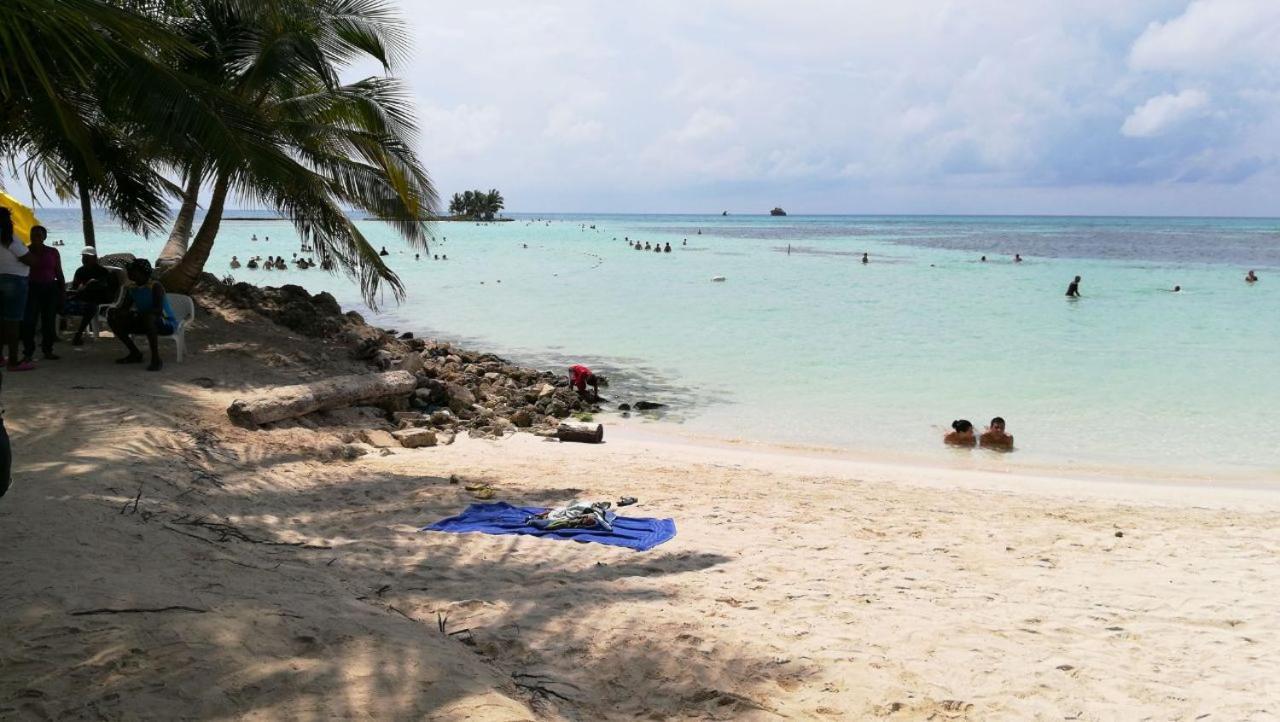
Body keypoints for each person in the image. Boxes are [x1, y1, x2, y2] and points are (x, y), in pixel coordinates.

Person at [108, 258, 177, 372]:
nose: (130, 273)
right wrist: (118, 312)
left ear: (142, 273)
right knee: (113, 317)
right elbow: (125, 307)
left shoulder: (155, 286)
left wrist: (136, 314)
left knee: (149, 317)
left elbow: (158, 311)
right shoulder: (133, 288)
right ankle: (135, 353)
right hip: (145, 321)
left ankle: (156, 359)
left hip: (165, 323)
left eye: (133, 271)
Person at [20, 226, 64, 362]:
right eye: (33, 235)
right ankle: (28, 352)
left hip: (50, 288)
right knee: (29, 321)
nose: (35, 237)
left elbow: (59, 272)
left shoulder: (52, 252)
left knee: (49, 321)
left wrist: (62, 292)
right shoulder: (25, 251)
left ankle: (48, 350)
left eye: (38, 235)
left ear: (44, 237)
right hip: (31, 288)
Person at [0, 209, 35, 371]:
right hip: (14, 281)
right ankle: (13, 361)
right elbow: (30, 261)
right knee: (13, 321)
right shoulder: (11, 240)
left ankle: (1, 358)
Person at [63, 246, 119, 346]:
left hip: (97, 297)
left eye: (87, 257)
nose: (84, 260)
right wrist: (81, 288)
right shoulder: (80, 271)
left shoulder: (102, 271)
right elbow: (75, 286)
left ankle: (78, 334)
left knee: (91, 306)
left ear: (94, 258)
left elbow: (106, 287)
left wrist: (90, 285)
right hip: (83, 296)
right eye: (83, 257)